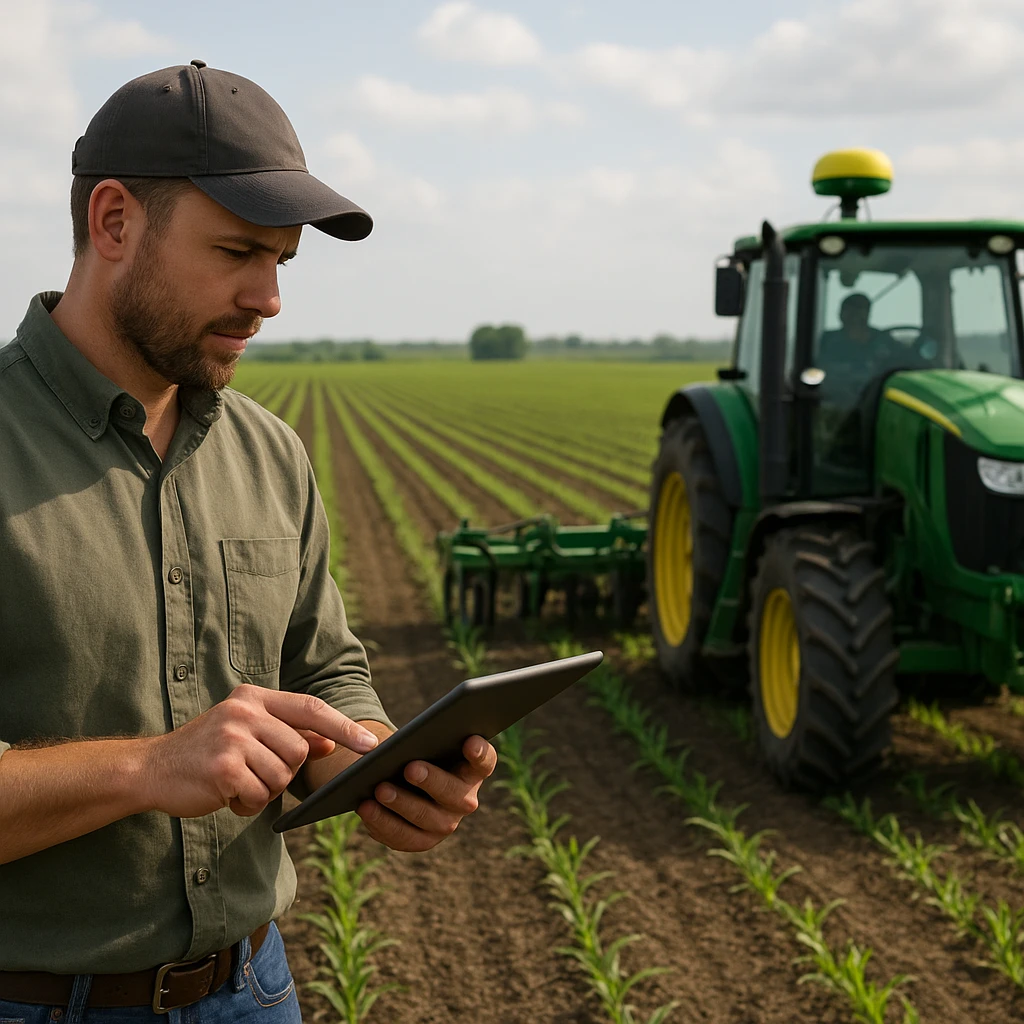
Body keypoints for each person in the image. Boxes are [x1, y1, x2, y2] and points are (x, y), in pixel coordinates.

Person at [0, 61, 497, 1023]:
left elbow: (329, 669)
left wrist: (380, 763)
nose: (268, 299)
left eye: (281, 261)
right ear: (113, 223)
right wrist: (149, 767)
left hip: (252, 990)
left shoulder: (269, 454)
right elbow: (174, 761)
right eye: (236, 253)